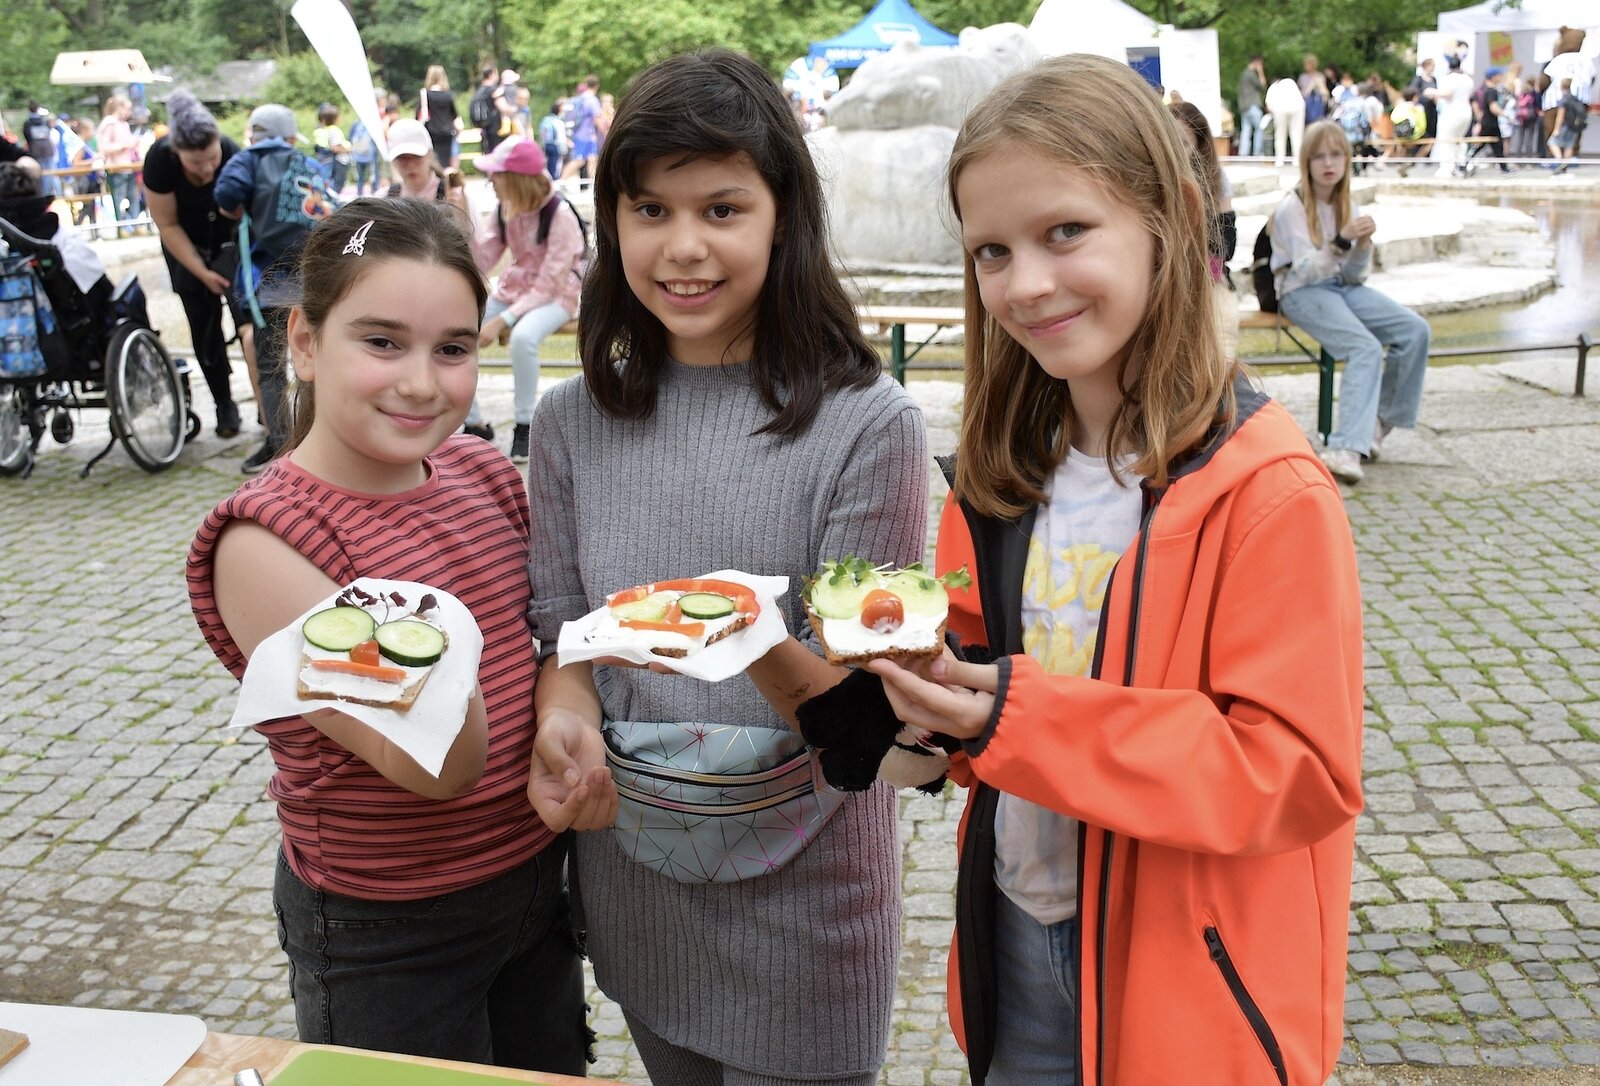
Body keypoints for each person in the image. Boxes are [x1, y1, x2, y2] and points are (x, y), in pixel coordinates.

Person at [866, 52, 1364, 1086]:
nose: (1026, 283)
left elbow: (1295, 775)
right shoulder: (996, 482)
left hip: (1188, 980)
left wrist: (1011, 715)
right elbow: (977, 712)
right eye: (992, 251)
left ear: (1169, 217)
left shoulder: (1268, 491)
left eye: (1065, 233)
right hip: (1014, 943)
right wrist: (904, 711)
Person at [525, 48, 928, 1086]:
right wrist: (563, 723)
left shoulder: (867, 427)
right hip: (636, 883)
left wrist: (751, 643)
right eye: (649, 210)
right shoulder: (572, 422)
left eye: (721, 209)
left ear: (782, 213)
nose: (683, 248)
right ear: (610, 221)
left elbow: (878, 724)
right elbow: (565, 635)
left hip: (805, 912)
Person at [185, 197, 588, 1074]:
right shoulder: (265, 542)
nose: (420, 382)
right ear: (302, 341)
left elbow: (549, 647)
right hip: (389, 932)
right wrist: (450, 640)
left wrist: (568, 714)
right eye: (381, 341)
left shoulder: (482, 471)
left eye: (452, 349)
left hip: (533, 890)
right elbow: (435, 764)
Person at [1271, 120, 1430, 484]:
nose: (1329, 163)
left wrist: (1362, 247)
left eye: (1337, 154)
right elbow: (1307, 272)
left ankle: (1376, 423)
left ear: (1347, 159)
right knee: (1365, 348)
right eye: (1319, 156)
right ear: (1306, 162)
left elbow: (1357, 276)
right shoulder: (1292, 208)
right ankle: (1345, 447)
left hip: (1341, 287)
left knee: (1414, 330)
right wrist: (1342, 240)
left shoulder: (1348, 204)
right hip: (1299, 292)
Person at [213, 104, 335, 474]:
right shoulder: (308, 163)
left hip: (267, 282)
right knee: (318, 360)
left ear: (253, 133)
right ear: (291, 135)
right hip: (314, 277)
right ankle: (324, 439)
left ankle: (280, 446)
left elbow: (225, 195)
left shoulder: (247, 160)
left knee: (270, 369)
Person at [465, 139, 583, 462]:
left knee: (524, 338)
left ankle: (525, 424)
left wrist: (503, 320)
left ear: (515, 178)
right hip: (516, 291)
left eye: (496, 175)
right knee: (460, 328)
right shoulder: (507, 208)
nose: (491, 181)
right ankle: (472, 421)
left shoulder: (559, 215)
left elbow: (550, 284)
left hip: (557, 296)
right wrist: (462, 220)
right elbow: (483, 258)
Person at [141, 89, 247, 439]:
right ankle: (224, 403)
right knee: (205, 330)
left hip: (230, 243)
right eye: (195, 163)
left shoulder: (233, 153)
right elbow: (167, 224)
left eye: (211, 159)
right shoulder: (159, 160)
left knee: (247, 321)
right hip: (184, 245)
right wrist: (202, 273)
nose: (206, 169)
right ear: (177, 153)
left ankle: (266, 405)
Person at [1171, 100, 1238, 361]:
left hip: (1207, 275)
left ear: (1198, 146)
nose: (1175, 152)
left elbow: (1226, 245)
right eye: (1169, 141)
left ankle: (1221, 386)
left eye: (1184, 144)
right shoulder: (1148, 177)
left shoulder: (1216, 179)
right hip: (1164, 278)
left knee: (1221, 325)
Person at [383, 118, 467, 216]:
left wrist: (459, 212)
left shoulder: (454, 194)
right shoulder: (385, 197)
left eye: (416, 157)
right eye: (402, 158)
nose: (410, 164)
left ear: (430, 154)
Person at [95, 95, 139, 234]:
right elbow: (104, 147)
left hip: (128, 166)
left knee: (133, 197)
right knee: (119, 199)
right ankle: (122, 228)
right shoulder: (109, 124)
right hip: (115, 167)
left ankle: (136, 225)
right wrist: (125, 145)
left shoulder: (123, 124)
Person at [1430, 54, 1476, 177]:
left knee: (1446, 139)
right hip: (1466, 110)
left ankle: (1447, 168)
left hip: (1452, 110)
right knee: (1459, 139)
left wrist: (1432, 92)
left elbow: (1447, 93)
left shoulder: (1450, 78)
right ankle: (1461, 165)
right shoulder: (1467, 79)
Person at [418, 65, 461, 171]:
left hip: (431, 132)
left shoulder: (426, 94)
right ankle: (446, 184)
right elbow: (454, 116)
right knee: (446, 162)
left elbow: (419, 115)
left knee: (433, 162)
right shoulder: (449, 95)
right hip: (447, 133)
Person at [560, 76, 601, 180]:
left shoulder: (579, 99)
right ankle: (561, 180)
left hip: (580, 134)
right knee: (579, 160)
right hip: (585, 135)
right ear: (596, 86)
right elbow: (597, 119)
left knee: (592, 158)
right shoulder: (592, 100)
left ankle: (593, 185)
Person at [1548, 77, 1587, 172]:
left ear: (1561, 86)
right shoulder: (1574, 98)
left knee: (1552, 142)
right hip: (1574, 126)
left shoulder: (1563, 100)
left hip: (1565, 126)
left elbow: (1560, 116)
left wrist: (1556, 129)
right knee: (1569, 146)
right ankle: (1564, 166)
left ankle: (1559, 161)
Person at [311, 102, 351, 193]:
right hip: (338, 160)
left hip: (325, 158)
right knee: (337, 183)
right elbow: (335, 147)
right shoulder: (334, 130)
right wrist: (348, 149)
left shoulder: (323, 130)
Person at [1265, 75, 1305, 165]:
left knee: (1280, 134)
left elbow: (1269, 106)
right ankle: (1298, 159)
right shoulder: (1292, 84)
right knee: (1297, 134)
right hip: (1297, 106)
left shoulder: (1273, 87)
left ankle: (1280, 159)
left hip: (1280, 107)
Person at [1236, 54, 1266, 157]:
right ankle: (1258, 153)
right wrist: (1260, 71)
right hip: (1253, 105)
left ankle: (1243, 154)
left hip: (1244, 106)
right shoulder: (1252, 74)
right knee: (1259, 129)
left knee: (1246, 130)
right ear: (1256, 62)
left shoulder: (1243, 74)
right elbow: (1262, 85)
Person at [1409, 57, 1440, 142]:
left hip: (1432, 110)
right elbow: (1413, 93)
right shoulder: (1418, 79)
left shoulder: (1434, 79)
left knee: (1431, 133)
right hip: (1421, 110)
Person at [347, 115, 378, 196]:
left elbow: (350, 138)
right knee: (372, 177)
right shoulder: (372, 125)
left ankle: (359, 195)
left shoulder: (355, 125)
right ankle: (375, 195)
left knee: (360, 178)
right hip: (370, 156)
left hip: (358, 155)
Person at [537, 100, 568, 178]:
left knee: (547, 166)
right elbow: (561, 138)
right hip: (556, 146)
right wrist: (564, 150)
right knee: (555, 167)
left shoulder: (546, 119)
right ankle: (554, 183)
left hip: (546, 145)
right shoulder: (559, 122)